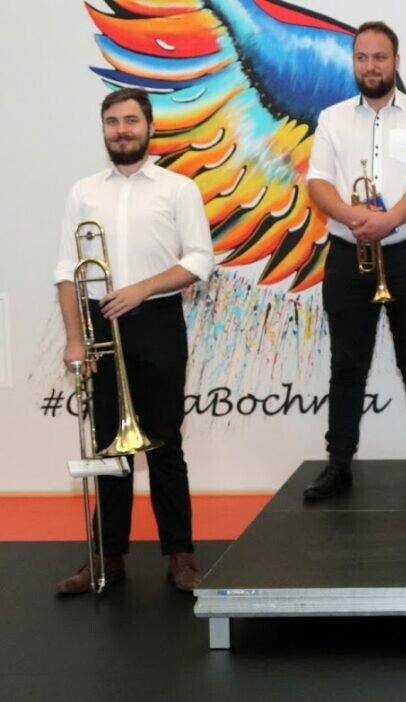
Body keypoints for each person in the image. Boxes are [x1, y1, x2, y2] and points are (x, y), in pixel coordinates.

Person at [54, 87, 215, 595]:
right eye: (112, 122)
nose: (121, 130)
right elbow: (66, 271)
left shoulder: (178, 188)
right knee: (108, 447)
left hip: (158, 321)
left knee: (165, 443)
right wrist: (75, 339)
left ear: (149, 126)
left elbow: (200, 259)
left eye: (130, 121)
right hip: (100, 324)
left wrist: (141, 289)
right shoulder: (83, 191)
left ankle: (181, 555)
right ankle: (107, 557)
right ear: (103, 129)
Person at [304, 21, 406, 500]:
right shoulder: (332, 118)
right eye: (362, 57)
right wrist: (352, 215)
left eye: (379, 57)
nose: (370, 66)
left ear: (396, 62)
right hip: (347, 253)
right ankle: (338, 463)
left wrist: (388, 220)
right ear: (353, 63)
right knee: (346, 365)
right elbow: (317, 181)